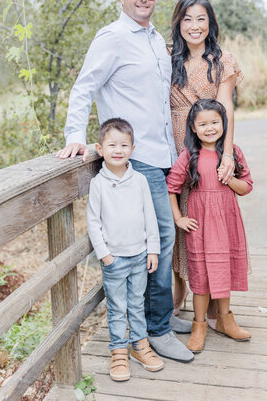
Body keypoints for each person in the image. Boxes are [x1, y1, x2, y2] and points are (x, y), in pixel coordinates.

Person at [57, 0, 194, 363]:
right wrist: (75, 138)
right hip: (140, 158)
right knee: (162, 239)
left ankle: (158, 316)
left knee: (164, 241)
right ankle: (158, 330)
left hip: (166, 155)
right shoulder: (112, 38)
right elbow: (84, 87)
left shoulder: (155, 40)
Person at [169, 0, 243, 323]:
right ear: (178, 23)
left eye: (201, 19)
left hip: (208, 146)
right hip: (173, 145)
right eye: (187, 19)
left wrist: (227, 152)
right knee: (181, 220)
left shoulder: (222, 60)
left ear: (210, 22)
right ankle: (181, 287)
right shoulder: (168, 58)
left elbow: (226, 105)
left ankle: (216, 299)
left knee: (210, 222)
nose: (194, 26)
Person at [166, 99, 253, 353]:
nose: (210, 128)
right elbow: (171, 187)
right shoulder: (188, 156)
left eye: (215, 122)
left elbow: (247, 187)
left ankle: (226, 320)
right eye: (202, 124)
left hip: (227, 222)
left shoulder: (232, 153)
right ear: (193, 128)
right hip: (200, 225)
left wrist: (230, 179)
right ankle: (199, 325)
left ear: (224, 124)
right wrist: (178, 218)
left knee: (223, 270)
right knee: (201, 276)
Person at [87, 118, 164, 381]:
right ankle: (118, 350)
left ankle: (139, 345)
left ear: (132, 148)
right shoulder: (98, 184)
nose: (118, 150)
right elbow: (93, 222)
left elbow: (150, 216)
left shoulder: (140, 180)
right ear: (100, 148)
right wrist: (104, 254)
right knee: (117, 307)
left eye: (124, 145)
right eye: (112, 145)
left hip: (140, 255)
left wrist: (152, 249)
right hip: (114, 258)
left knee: (137, 304)